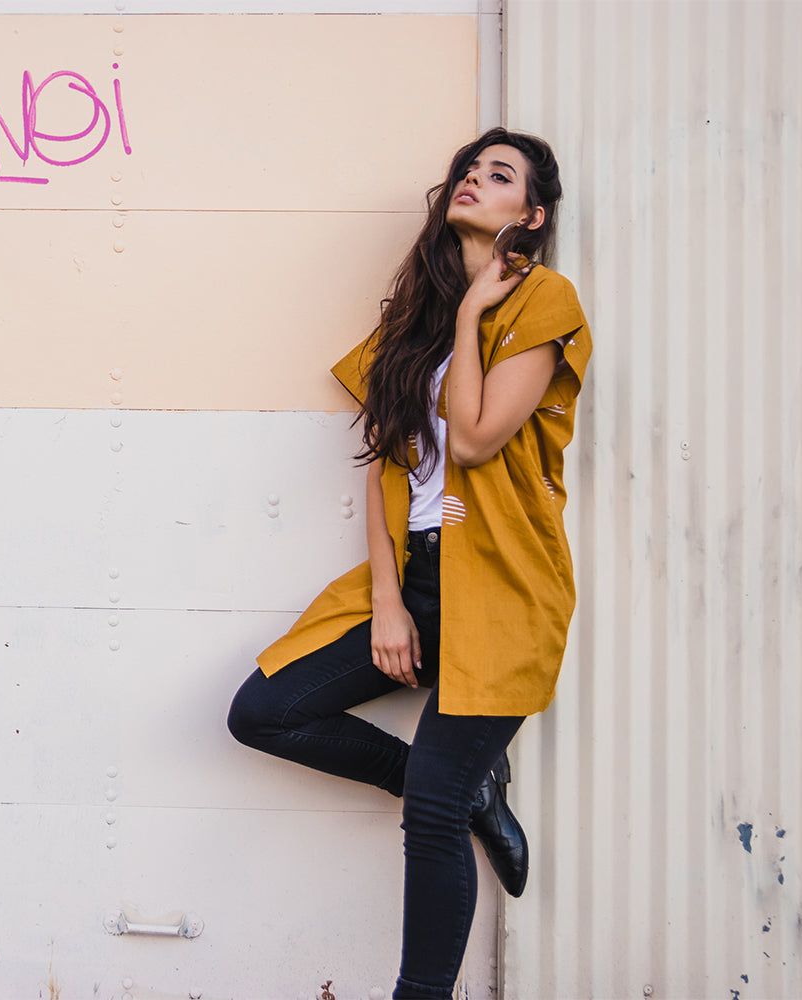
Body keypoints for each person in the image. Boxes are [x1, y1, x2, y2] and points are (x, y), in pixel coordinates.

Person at [226, 128, 591, 1000]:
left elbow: (471, 439)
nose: (473, 179)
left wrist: (473, 315)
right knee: (263, 711)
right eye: (469, 169)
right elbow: (388, 475)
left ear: (530, 216)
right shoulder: (412, 326)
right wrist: (388, 605)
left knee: (426, 820)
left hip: (501, 583)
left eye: (498, 176)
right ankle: (466, 790)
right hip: (415, 578)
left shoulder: (542, 300)